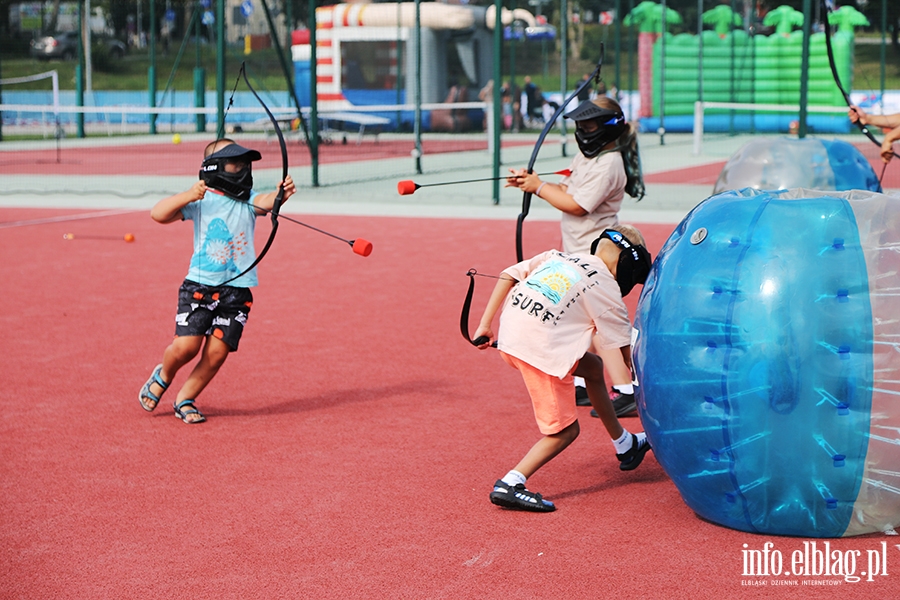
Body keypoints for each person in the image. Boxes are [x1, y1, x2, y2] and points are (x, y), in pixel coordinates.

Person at [472, 225, 653, 512]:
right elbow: (624, 352)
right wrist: (642, 381)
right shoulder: (606, 288)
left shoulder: (559, 257)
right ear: (628, 263)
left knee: (593, 368)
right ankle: (511, 483)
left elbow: (508, 274)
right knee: (565, 432)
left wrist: (484, 325)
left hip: (510, 337)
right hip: (539, 351)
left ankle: (624, 444)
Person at [139, 138, 296, 424]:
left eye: (246, 164)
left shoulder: (248, 201)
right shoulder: (201, 202)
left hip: (236, 294)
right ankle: (164, 374)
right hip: (199, 288)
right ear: (215, 167)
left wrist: (279, 195)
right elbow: (157, 214)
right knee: (187, 348)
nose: (244, 169)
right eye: (236, 162)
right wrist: (189, 194)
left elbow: (265, 203)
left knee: (217, 352)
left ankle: (185, 398)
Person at [506, 96, 645, 418]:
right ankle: (584, 384)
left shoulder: (610, 164)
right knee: (582, 320)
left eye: (590, 124)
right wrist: (531, 183)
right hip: (577, 250)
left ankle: (626, 390)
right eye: (580, 125)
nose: (584, 131)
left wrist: (538, 187)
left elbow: (577, 205)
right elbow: (567, 190)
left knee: (600, 324)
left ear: (609, 127)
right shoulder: (589, 156)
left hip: (596, 256)